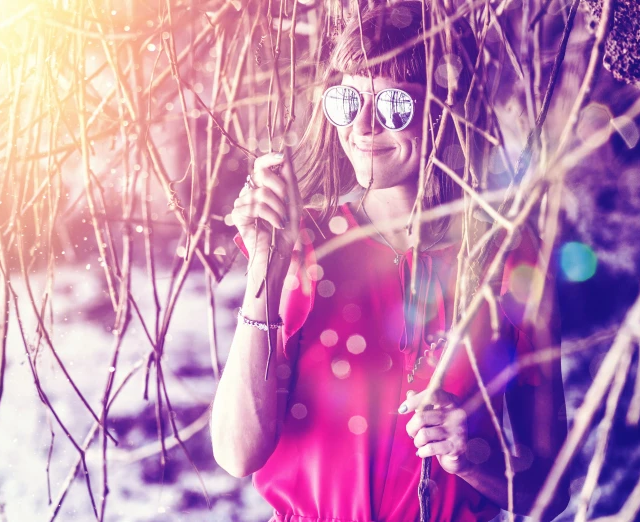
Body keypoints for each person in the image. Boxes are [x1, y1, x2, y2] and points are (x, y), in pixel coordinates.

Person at [210, 2, 569, 521]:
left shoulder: (509, 259)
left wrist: (469, 459)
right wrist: (268, 262)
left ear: (447, 105)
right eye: (346, 100)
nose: (363, 125)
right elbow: (237, 452)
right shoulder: (305, 244)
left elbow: (550, 492)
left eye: (395, 106)